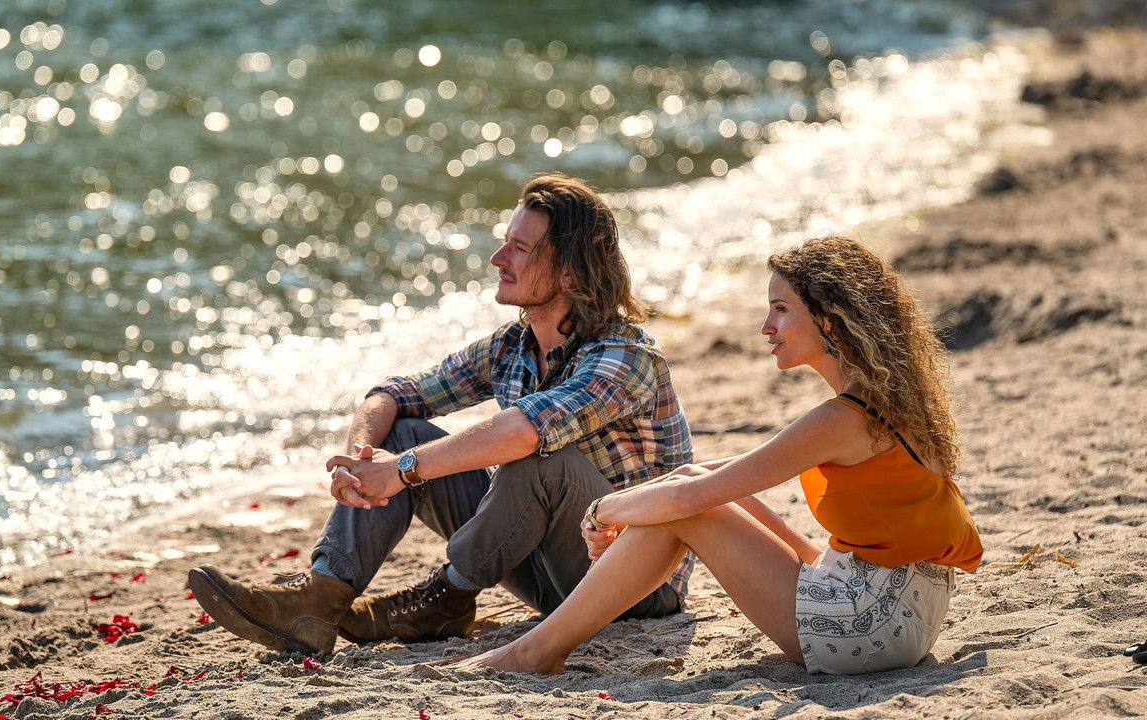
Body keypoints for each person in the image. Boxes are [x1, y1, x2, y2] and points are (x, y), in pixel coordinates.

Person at [187, 173, 694, 657]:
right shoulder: (513, 347)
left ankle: (446, 597)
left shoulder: (626, 357)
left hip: (633, 587)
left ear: (570, 270)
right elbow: (395, 393)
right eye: (505, 242)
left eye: (520, 248)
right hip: (546, 575)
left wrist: (402, 469)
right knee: (404, 432)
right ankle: (320, 602)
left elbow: (523, 431)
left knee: (540, 457)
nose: (498, 257)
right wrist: (359, 460)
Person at [456, 235, 983, 675]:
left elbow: (699, 497)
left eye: (781, 309)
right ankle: (541, 646)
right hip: (904, 608)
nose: (766, 328)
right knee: (696, 480)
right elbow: (706, 477)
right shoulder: (895, 400)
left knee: (694, 508)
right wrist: (645, 498)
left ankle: (535, 652)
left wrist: (603, 511)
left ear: (831, 320)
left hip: (868, 625)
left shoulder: (842, 419)